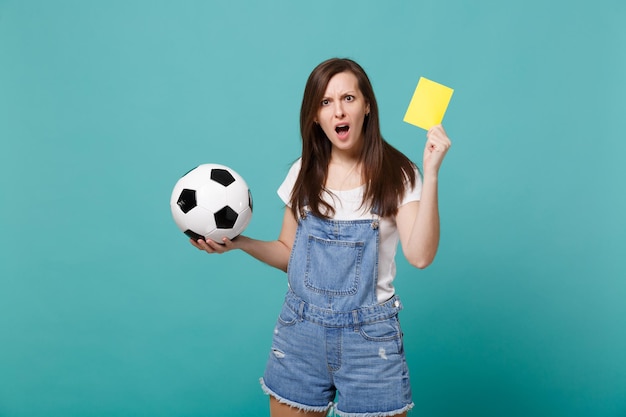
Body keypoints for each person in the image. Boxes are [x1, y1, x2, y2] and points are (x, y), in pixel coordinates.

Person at [191, 58, 452, 417]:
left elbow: (421, 256)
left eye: (348, 98)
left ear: (367, 106)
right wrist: (240, 242)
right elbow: (288, 253)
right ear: (315, 115)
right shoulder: (303, 172)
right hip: (300, 334)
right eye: (326, 102)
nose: (338, 111)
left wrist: (432, 172)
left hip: (369, 342)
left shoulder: (399, 173)